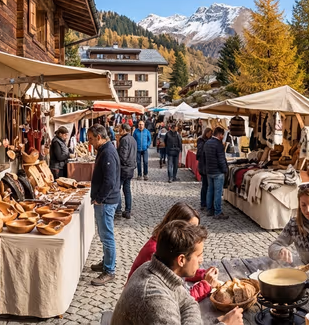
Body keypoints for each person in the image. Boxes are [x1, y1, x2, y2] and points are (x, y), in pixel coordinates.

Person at [112, 220, 243, 325]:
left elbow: (188, 303)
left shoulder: (159, 270)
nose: (201, 261)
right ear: (181, 260)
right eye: (198, 256)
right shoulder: (154, 299)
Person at [127, 202, 220, 302]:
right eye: (190, 228)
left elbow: (180, 270)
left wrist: (202, 274)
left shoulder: (164, 243)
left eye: (196, 228)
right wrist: (206, 285)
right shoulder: (157, 251)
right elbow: (182, 300)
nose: (195, 235)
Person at [88, 124, 121, 286]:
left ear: (99, 137)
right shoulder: (105, 150)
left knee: (107, 236)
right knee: (104, 235)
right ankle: (106, 263)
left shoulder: (107, 152)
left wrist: (99, 199)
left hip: (106, 202)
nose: (90, 143)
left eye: (92, 139)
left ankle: (109, 270)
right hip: (106, 201)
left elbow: (109, 181)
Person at [204, 127, 228, 219]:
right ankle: (218, 212)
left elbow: (205, 157)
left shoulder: (207, 143)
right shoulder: (219, 145)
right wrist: (225, 170)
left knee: (210, 190)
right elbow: (221, 159)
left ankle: (210, 210)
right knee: (218, 192)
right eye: (222, 135)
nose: (223, 136)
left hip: (209, 170)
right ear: (219, 134)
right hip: (218, 171)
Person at [117, 123, 136, 219]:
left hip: (124, 168)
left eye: (120, 129)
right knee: (127, 190)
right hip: (130, 168)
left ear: (124, 130)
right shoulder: (133, 139)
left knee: (118, 189)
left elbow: (123, 156)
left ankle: (119, 210)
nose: (119, 130)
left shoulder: (124, 140)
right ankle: (128, 210)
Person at [197, 128, 212, 210]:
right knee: (205, 185)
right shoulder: (201, 141)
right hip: (204, 167)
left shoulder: (205, 141)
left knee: (207, 185)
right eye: (210, 133)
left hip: (206, 166)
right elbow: (200, 154)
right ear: (206, 133)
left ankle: (206, 202)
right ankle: (203, 202)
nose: (211, 135)